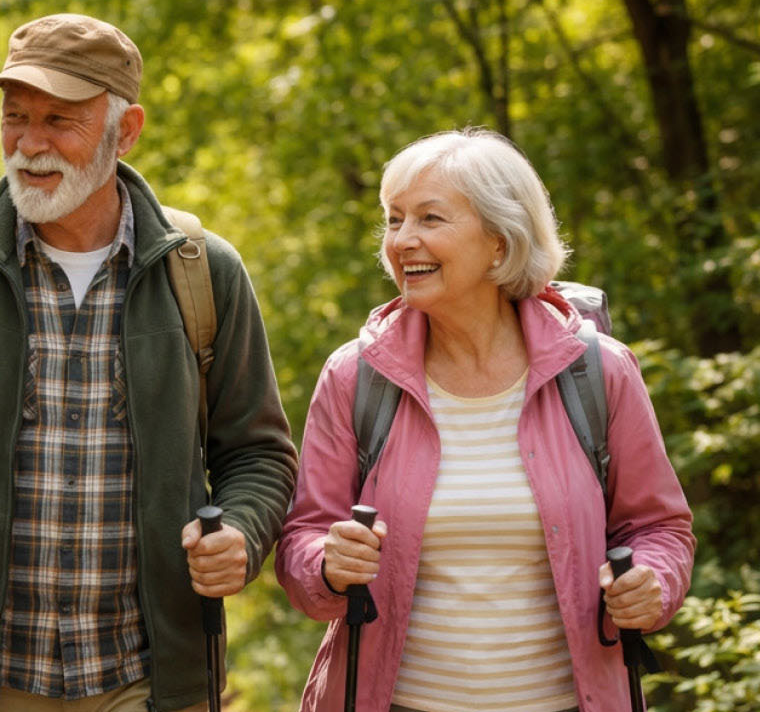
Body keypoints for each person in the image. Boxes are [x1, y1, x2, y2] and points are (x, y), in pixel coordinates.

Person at [0, 13, 296, 711]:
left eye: (60, 120)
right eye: (15, 117)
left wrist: (240, 531)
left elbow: (259, 454)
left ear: (127, 129)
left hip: (150, 676)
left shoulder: (203, 272)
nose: (29, 144)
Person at [275, 129, 695, 712]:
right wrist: (327, 563)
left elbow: (661, 530)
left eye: (429, 218)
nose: (402, 240)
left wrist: (651, 581)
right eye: (394, 220)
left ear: (500, 242)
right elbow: (302, 540)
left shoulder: (599, 371)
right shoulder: (357, 376)